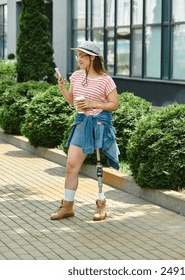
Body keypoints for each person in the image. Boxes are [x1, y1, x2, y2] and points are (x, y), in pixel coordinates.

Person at [51, 41, 120, 221]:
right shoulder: (75, 76)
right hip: (81, 122)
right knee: (71, 166)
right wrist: (63, 88)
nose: (79, 59)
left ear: (92, 58)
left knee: (98, 165)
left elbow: (115, 104)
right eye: (78, 55)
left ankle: (101, 204)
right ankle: (67, 206)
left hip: (99, 124)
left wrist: (93, 104)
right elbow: (72, 102)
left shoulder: (106, 80)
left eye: (82, 56)